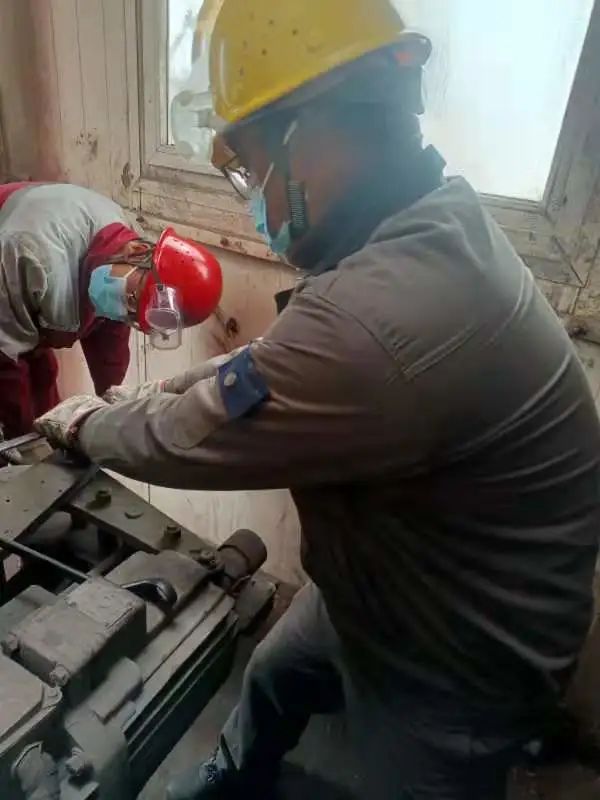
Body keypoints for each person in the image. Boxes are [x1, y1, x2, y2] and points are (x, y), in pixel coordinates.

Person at [35, 1, 600, 798]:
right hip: (390, 582)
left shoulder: (380, 319)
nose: (251, 194)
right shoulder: (428, 228)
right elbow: (262, 369)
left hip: (456, 658)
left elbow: (189, 437)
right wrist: (163, 386)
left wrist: (88, 425)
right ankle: (236, 777)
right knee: (274, 675)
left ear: (311, 135)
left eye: (249, 164)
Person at [0, 181, 223, 449]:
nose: (125, 313)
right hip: (8, 262)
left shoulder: (126, 257)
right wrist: (22, 444)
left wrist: (109, 406)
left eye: (135, 318)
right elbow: (5, 357)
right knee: (15, 409)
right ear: (137, 252)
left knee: (43, 373)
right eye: (132, 301)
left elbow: (111, 340)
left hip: (23, 284)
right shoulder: (28, 251)